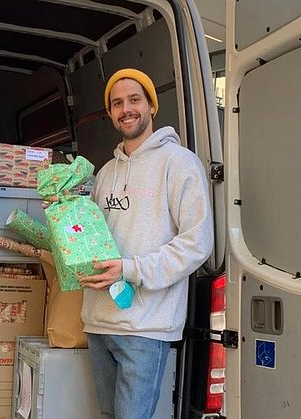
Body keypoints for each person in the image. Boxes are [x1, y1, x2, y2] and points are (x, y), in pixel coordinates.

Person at [79, 68, 214, 418]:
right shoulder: (106, 172)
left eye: (135, 100)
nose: (126, 109)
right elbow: (92, 238)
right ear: (110, 113)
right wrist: (64, 216)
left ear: (152, 106)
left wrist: (132, 269)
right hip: (98, 320)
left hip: (145, 324)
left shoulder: (179, 163)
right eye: (117, 103)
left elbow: (197, 243)